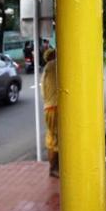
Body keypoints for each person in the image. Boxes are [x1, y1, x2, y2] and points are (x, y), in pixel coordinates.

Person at [41, 48, 59, 177]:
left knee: (53, 136)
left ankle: (54, 167)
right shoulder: (54, 65)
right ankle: (53, 168)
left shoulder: (47, 69)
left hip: (49, 107)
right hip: (55, 107)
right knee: (54, 138)